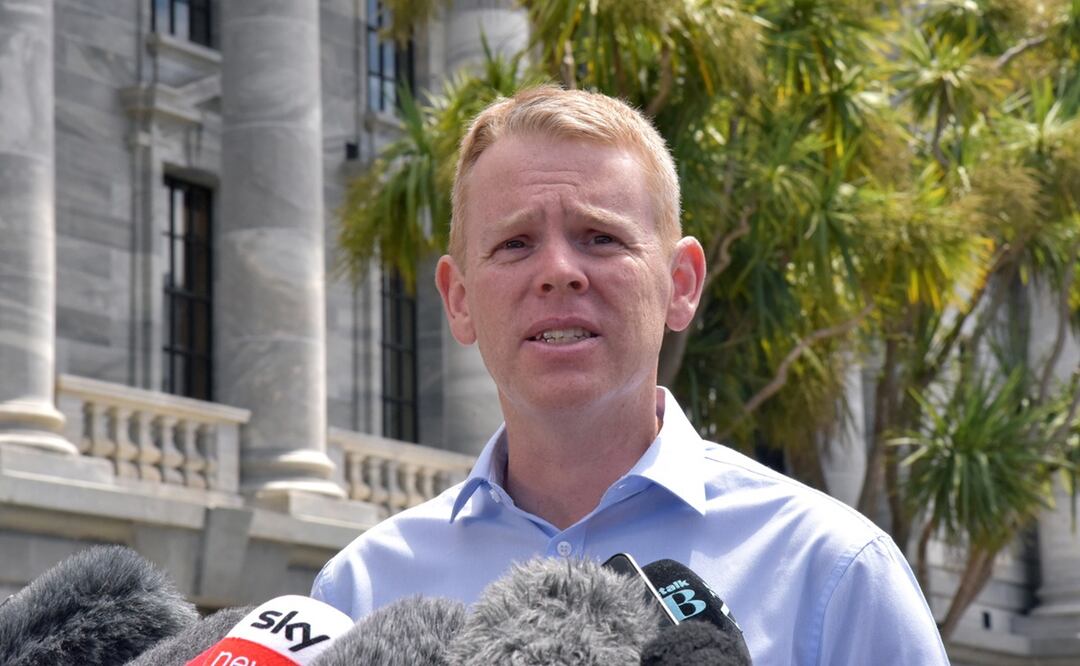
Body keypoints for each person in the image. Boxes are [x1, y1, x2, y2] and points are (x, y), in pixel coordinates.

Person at [312, 86, 949, 664]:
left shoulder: (831, 571)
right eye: (515, 244)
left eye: (600, 238)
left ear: (681, 284)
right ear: (458, 300)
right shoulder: (359, 591)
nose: (559, 270)